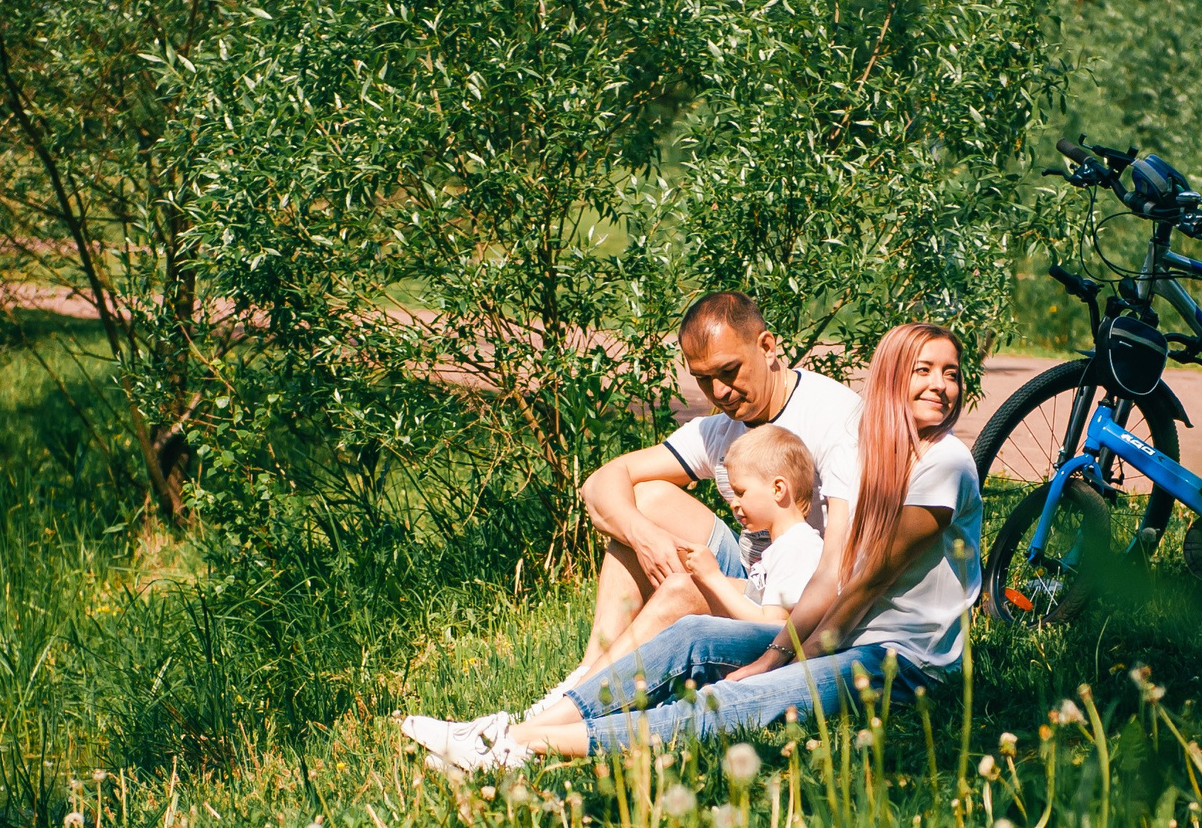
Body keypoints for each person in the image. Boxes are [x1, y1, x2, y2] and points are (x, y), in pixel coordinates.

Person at [405, 323, 978, 767]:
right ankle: (513, 726)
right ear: (889, 379)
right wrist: (776, 650)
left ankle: (522, 748)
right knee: (692, 634)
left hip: (903, 661)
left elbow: (865, 580)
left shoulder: (945, 463)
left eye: (951, 373)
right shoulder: (874, 452)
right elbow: (833, 576)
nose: (941, 386)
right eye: (924, 371)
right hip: (843, 629)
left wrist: (773, 661)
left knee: (740, 701)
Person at [404, 425, 824, 761]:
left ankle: (518, 734)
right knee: (678, 580)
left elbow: (775, 627)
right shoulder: (781, 545)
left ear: (779, 489)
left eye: (741, 493)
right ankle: (537, 720)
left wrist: (713, 579)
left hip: (778, 654)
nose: (733, 504)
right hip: (761, 635)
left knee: (688, 609)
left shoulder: (800, 547)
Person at [539, 290, 861, 707]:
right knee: (644, 500)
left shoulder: (832, 416)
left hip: (802, 600)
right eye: (704, 379)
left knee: (684, 590)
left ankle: (580, 705)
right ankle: (587, 672)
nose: (720, 392)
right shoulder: (721, 429)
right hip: (758, 578)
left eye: (729, 371)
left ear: (767, 346)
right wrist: (643, 536)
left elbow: (847, 560)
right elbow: (602, 483)